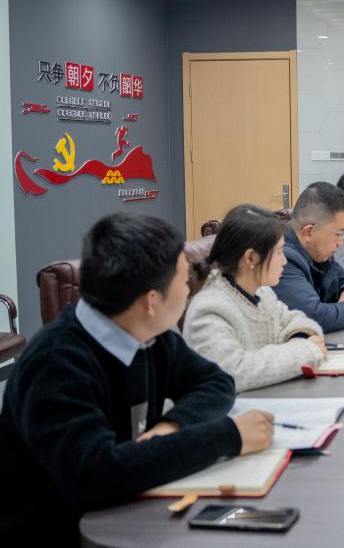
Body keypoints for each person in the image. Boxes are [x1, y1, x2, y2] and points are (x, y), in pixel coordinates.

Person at [0, 214, 274, 542]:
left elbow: (216, 382)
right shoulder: (55, 363)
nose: (189, 290)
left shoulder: (150, 335)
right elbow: (95, 476)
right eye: (183, 281)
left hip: (136, 514)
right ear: (151, 301)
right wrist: (228, 436)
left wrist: (171, 427)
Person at [185, 204, 328, 392]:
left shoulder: (262, 292)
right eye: (279, 252)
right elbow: (233, 371)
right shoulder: (210, 308)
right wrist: (304, 351)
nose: (284, 261)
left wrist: (299, 338)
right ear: (251, 258)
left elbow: (295, 319)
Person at [273, 181, 344, 332]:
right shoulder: (281, 258)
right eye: (338, 234)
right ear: (309, 232)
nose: (341, 243)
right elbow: (314, 316)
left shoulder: (317, 251)